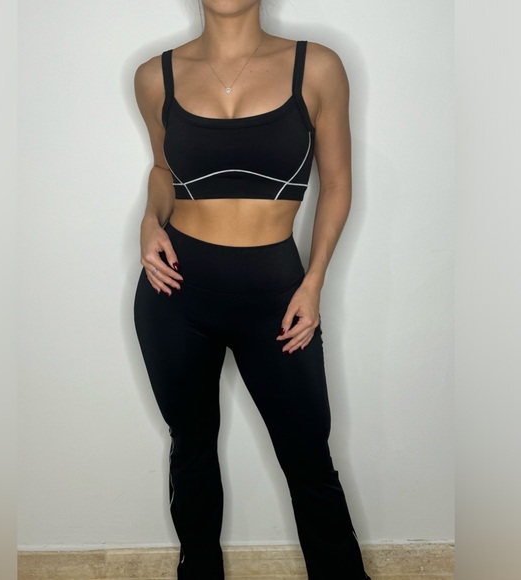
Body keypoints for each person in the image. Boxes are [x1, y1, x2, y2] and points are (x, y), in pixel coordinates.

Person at [133, 1, 371, 578]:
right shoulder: (154, 75)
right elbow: (163, 170)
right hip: (176, 290)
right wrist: (149, 220)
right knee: (191, 448)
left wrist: (313, 281)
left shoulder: (316, 67)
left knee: (308, 456)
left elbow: (338, 182)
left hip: (277, 295)